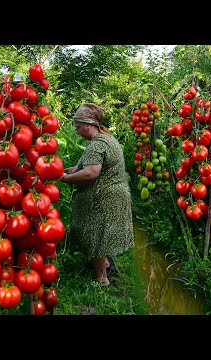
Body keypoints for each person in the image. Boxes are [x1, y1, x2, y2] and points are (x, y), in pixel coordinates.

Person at [59, 103, 134, 286]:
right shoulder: (106, 139)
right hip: (112, 195)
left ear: (88, 124)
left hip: (103, 198)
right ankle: (106, 265)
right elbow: (88, 166)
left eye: (78, 127)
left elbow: (91, 172)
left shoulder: (97, 145)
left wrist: (65, 179)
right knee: (102, 235)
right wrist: (72, 170)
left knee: (95, 235)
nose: (77, 132)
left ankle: (102, 279)